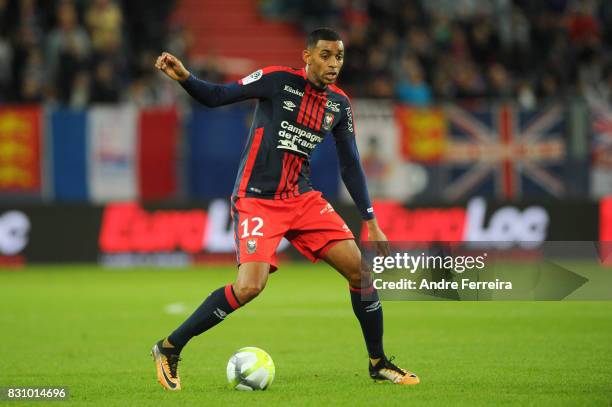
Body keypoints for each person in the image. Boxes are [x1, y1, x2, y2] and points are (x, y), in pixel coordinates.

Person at [151, 27, 420, 390]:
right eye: (325, 55)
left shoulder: (338, 105)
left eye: (339, 56)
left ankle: (378, 362)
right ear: (306, 56)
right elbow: (218, 96)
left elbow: (351, 164)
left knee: (362, 273)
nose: (333, 63)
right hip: (257, 198)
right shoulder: (277, 81)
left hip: (302, 199)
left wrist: (370, 220)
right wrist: (186, 78)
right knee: (249, 287)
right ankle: (169, 347)